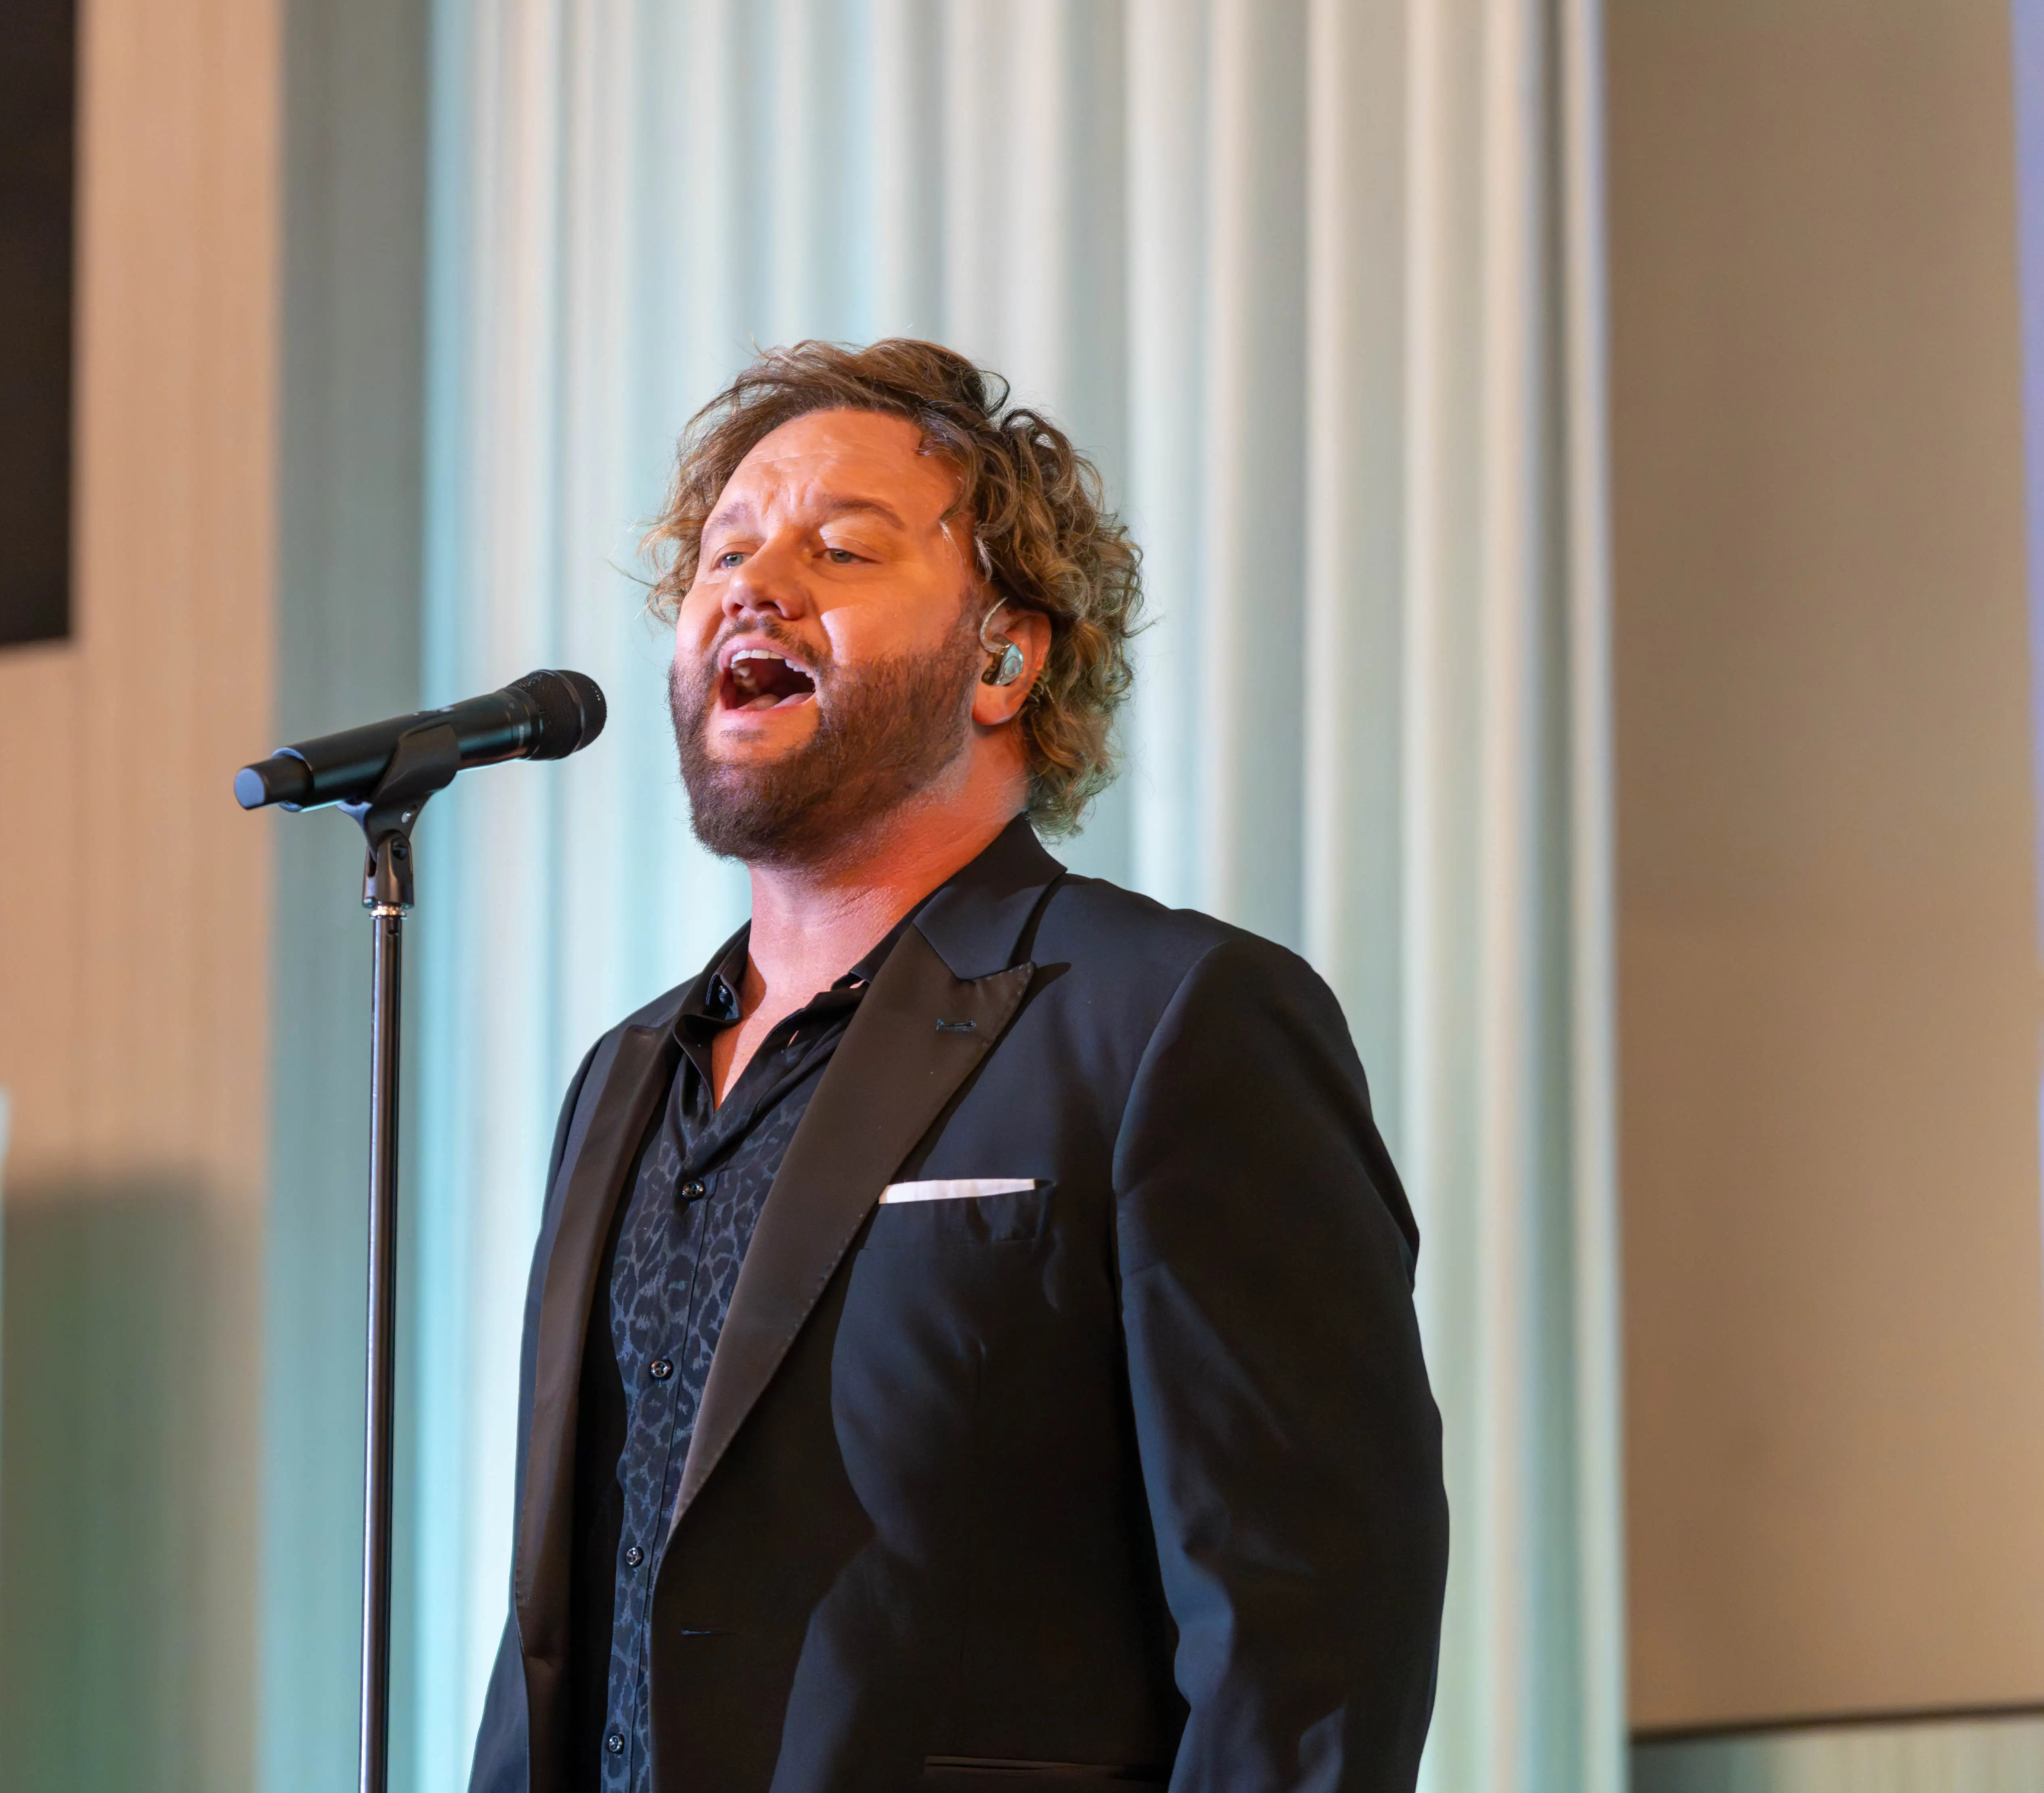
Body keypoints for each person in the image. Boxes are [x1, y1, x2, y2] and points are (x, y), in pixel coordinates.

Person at [465, 339, 1447, 1793]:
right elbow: (568, 1621)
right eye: (725, 550)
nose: (752, 580)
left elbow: (1305, 1650)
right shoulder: (624, 1081)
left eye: (841, 548)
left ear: (1003, 657)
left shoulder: (1174, 1020)